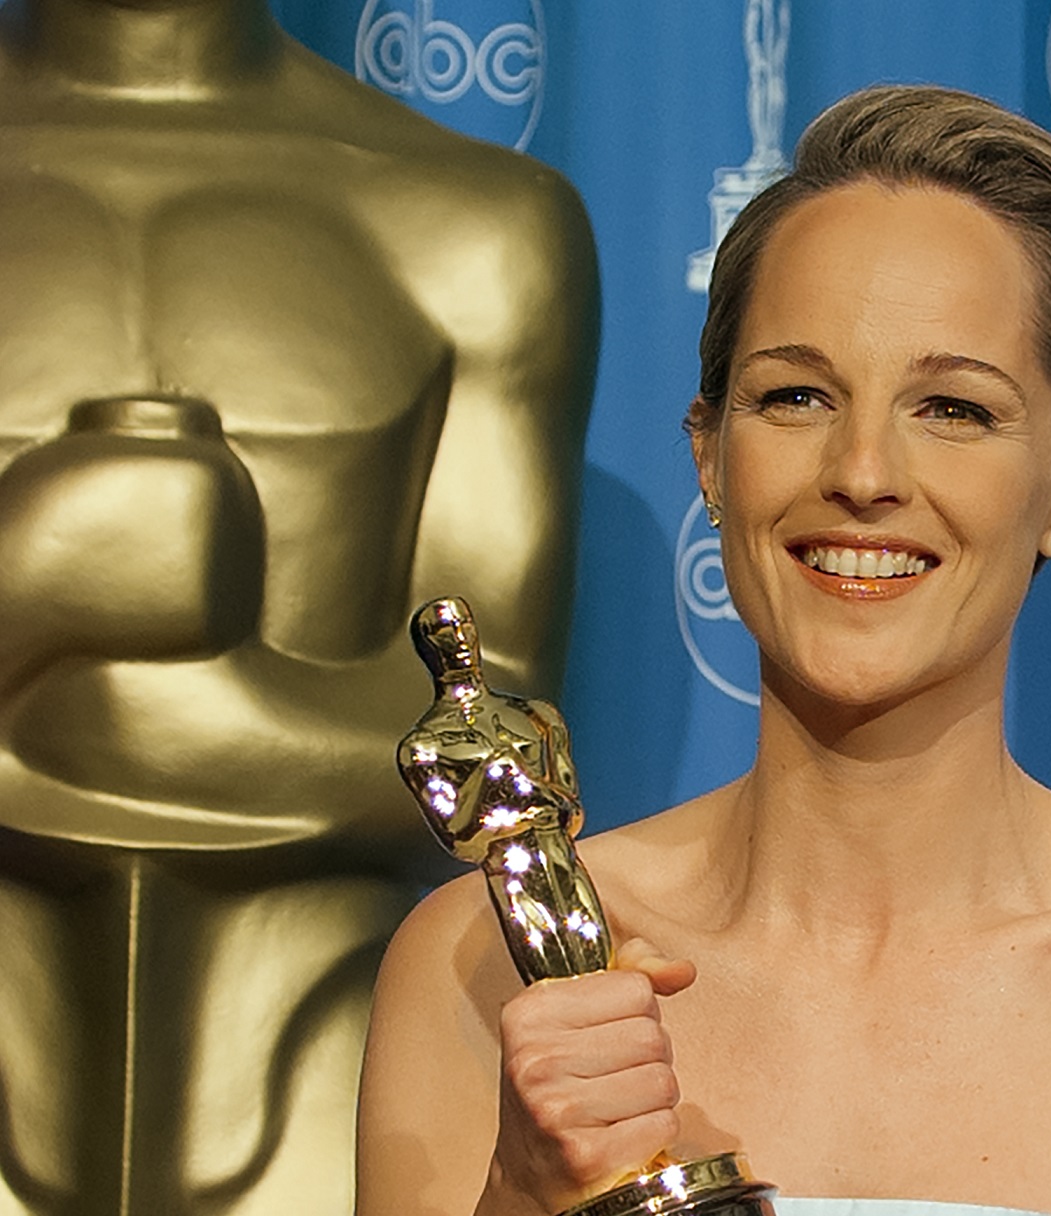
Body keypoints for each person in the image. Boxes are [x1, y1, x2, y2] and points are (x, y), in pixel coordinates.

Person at [357, 85, 1051, 1216]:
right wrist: (522, 1191)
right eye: (794, 396)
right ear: (709, 455)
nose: (865, 471)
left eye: (955, 409)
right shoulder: (485, 955)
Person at [0, 0, 596, 1210]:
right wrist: (41, 566)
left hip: (332, 1074)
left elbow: (493, 752)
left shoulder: (478, 226)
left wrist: (134, 708)